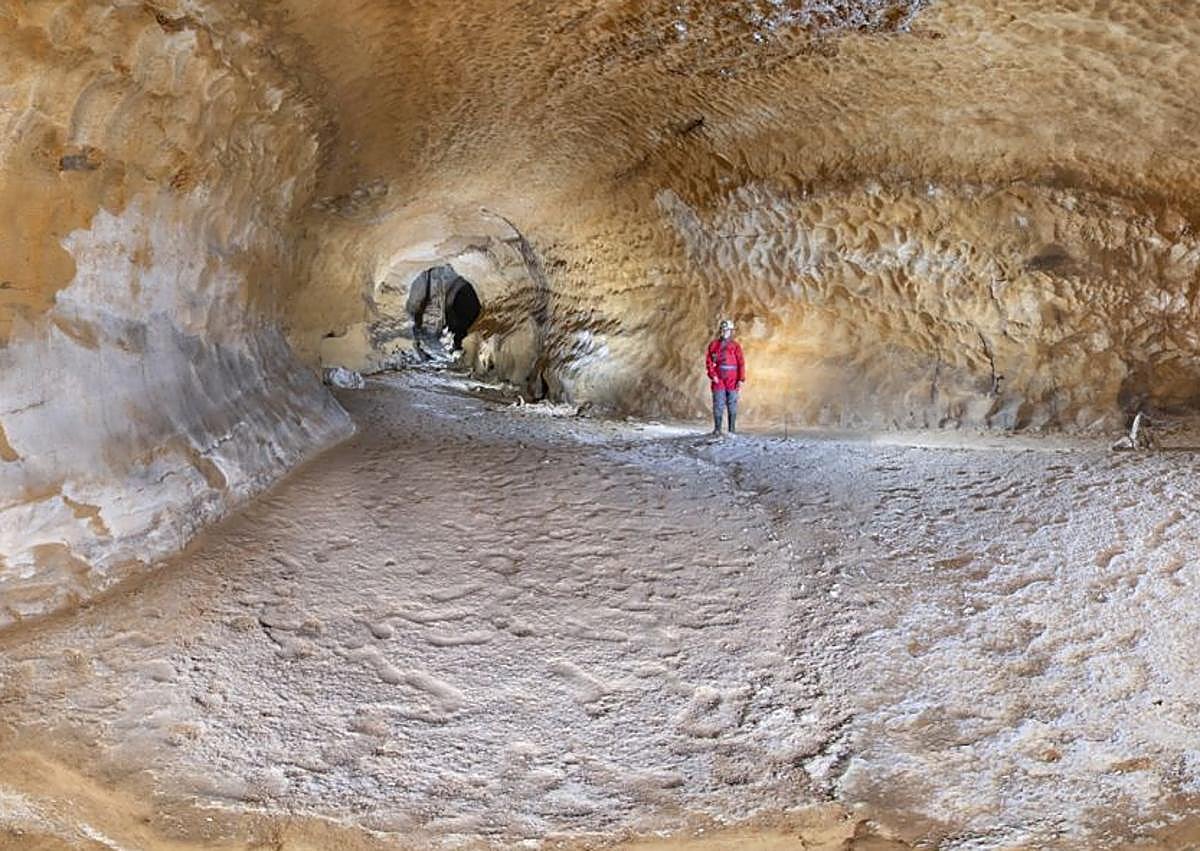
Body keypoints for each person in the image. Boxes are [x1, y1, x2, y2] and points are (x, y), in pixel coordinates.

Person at [706, 319, 745, 434]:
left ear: (731, 331)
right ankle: (717, 429)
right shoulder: (714, 345)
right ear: (720, 331)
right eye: (723, 330)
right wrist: (713, 375)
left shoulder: (735, 346)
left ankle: (731, 430)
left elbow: (741, 362)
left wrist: (741, 378)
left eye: (727, 330)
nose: (725, 332)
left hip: (732, 378)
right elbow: (709, 362)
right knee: (718, 403)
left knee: (732, 403)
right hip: (719, 378)